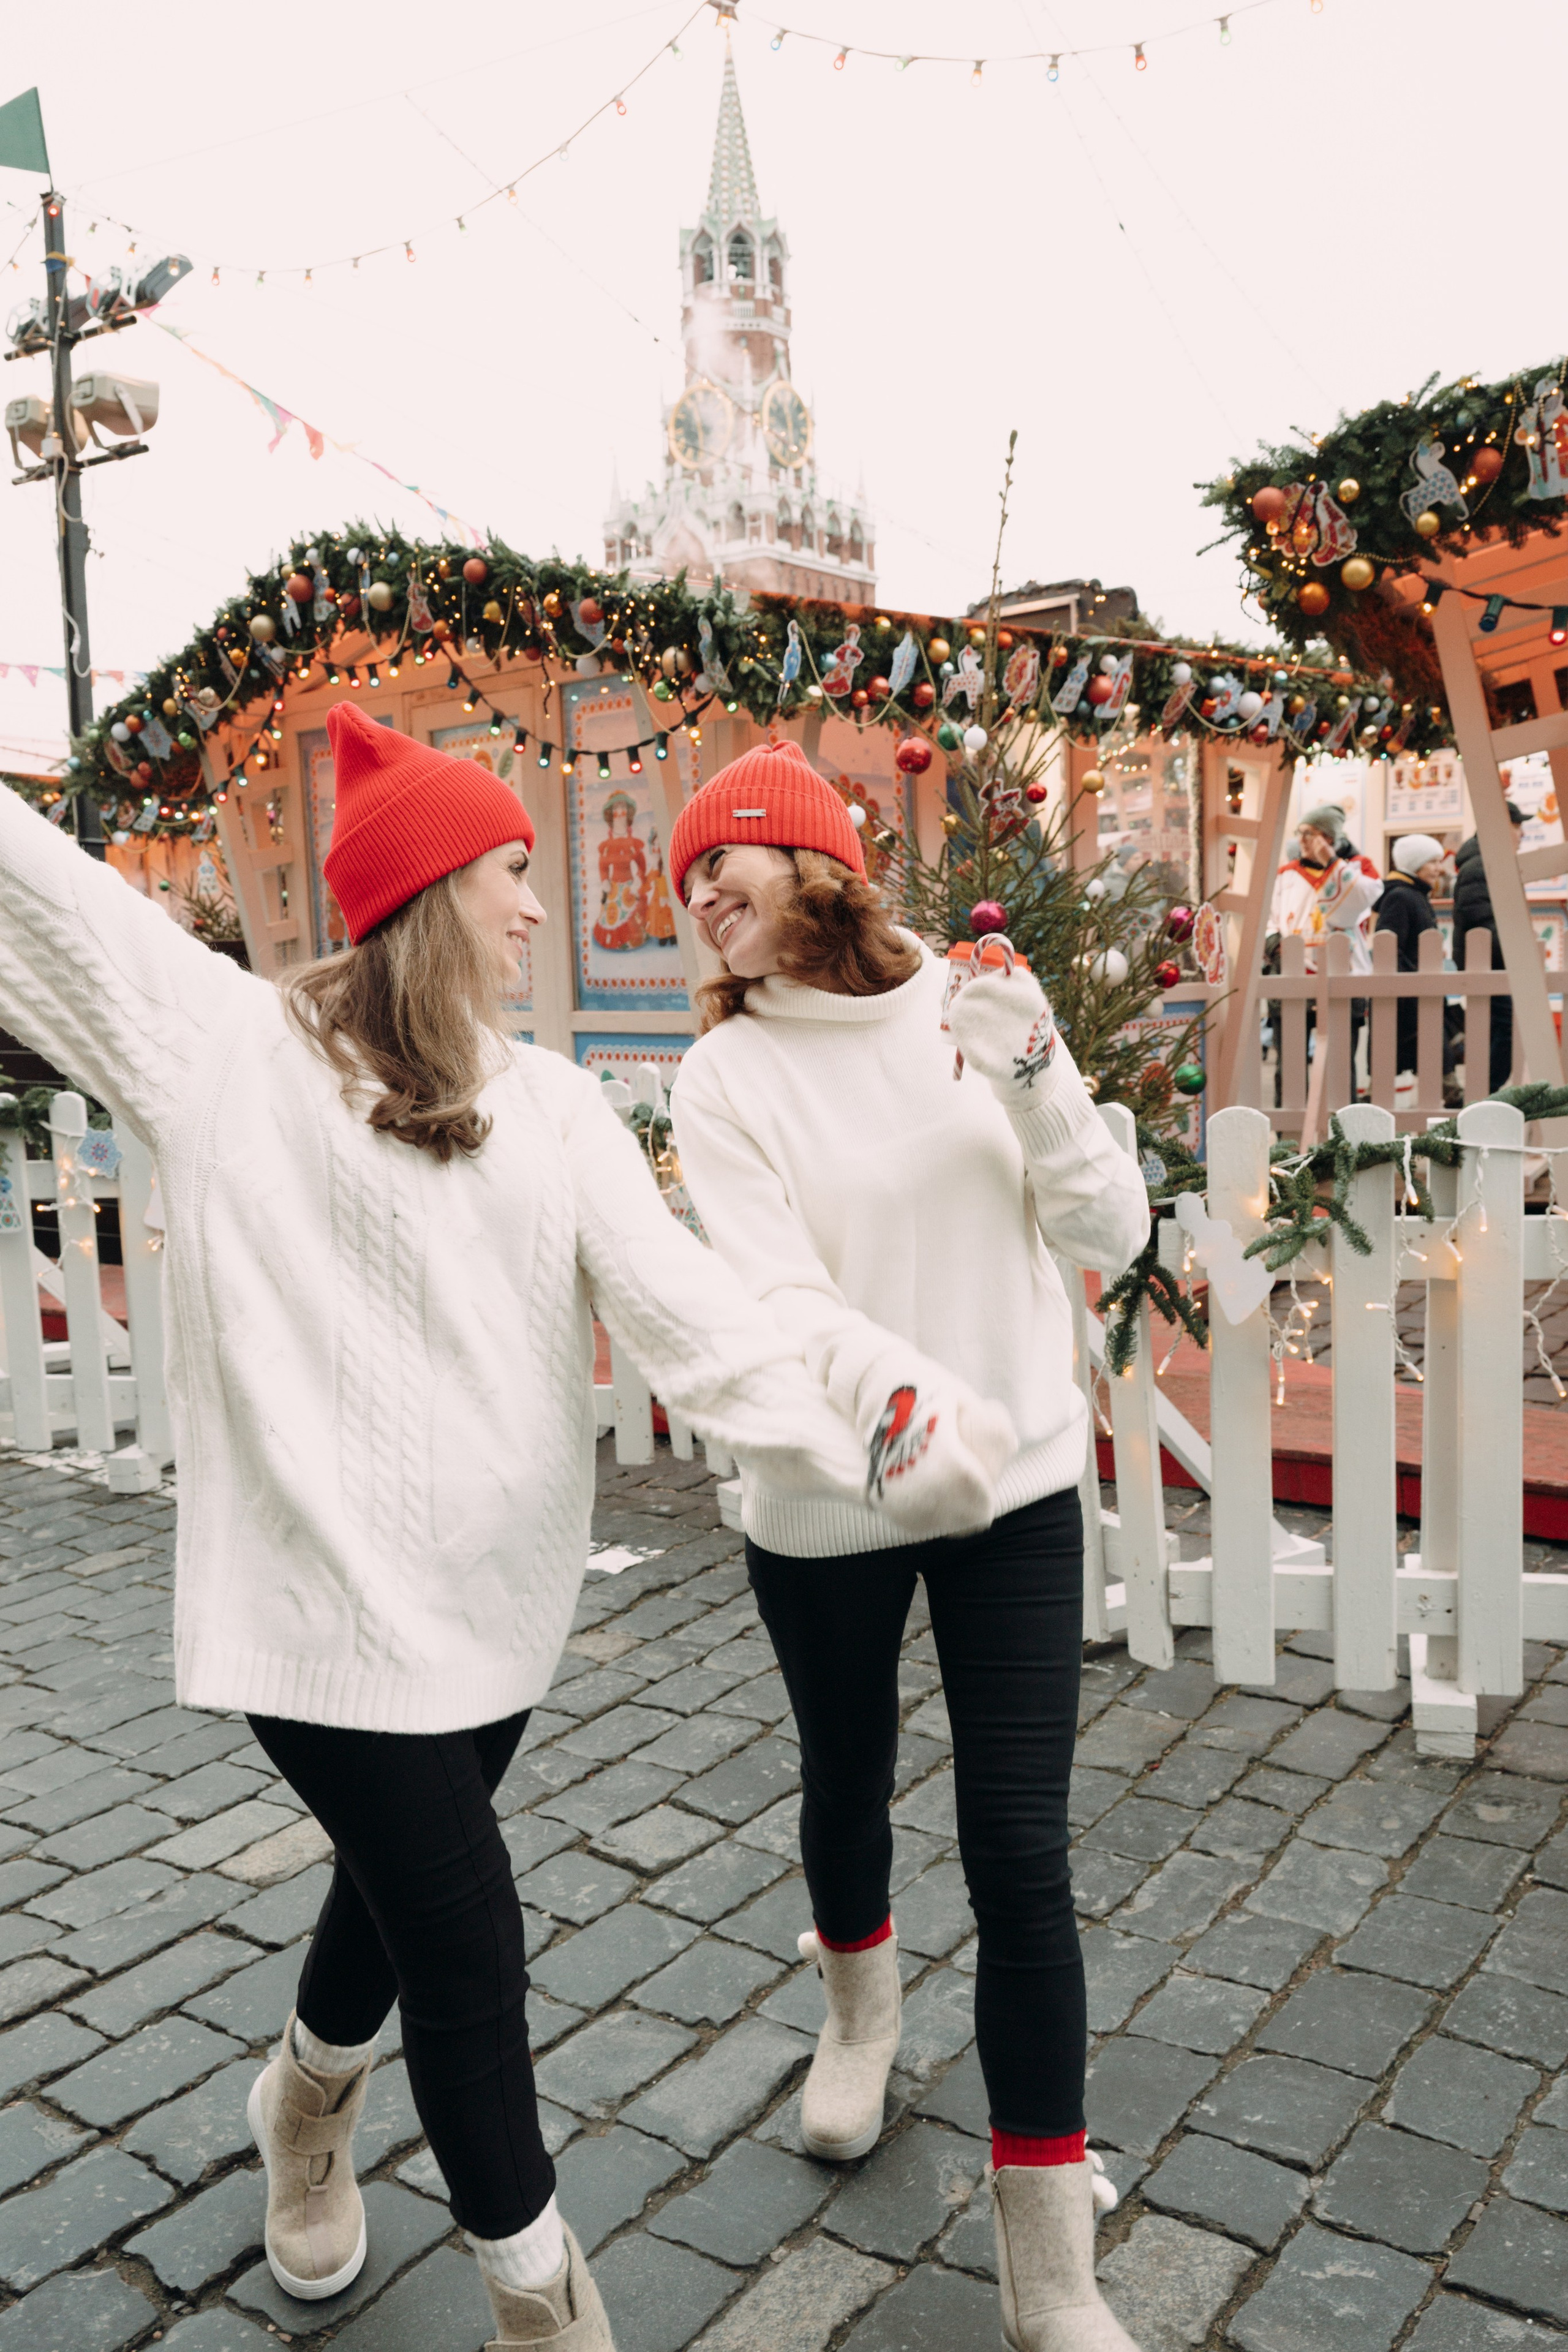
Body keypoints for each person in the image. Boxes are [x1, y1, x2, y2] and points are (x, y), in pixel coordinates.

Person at [0, 707, 998, 2352]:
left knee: (397, 1896)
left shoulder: (558, 1112)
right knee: (467, 1939)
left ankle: (304, 2104)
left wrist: (871, 1444)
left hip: (493, 1612)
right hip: (315, 1612)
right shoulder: (228, 1051)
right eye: (515, 871)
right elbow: (39, 893)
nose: (546, 907)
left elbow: (694, 1320)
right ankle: (544, 2307)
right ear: (433, 885)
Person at [665, 738, 1153, 2352]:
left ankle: (1048, 2263)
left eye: (715, 864)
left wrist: (1036, 1075)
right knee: (844, 1773)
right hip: (828, 1496)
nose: (693, 900)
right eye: (680, 884)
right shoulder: (724, 1079)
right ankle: (859, 2020)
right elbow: (778, 1296)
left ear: (809, 859)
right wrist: (895, 1403)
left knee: (1022, 1850)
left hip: (1011, 1486)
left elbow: (1110, 1232)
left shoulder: (974, 1006)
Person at [1453, 799, 1526, 1091]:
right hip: (1490, 967)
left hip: (1492, 965)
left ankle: (1483, 1095)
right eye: (1517, 826)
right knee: (1503, 1031)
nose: (1521, 834)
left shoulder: (1487, 862)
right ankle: (1483, 1095)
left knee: (1495, 1031)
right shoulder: (1481, 866)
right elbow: (1482, 921)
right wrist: (1517, 949)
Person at [1376, 831, 1449, 1079]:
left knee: (1434, 1053)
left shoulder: (1414, 894)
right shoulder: (1401, 897)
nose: (1439, 869)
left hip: (1418, 990)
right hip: (1408, 996)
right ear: (1417, 864)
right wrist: (1410, 980)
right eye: (1433, 862)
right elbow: (1389, 947)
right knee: (1410, 1056)